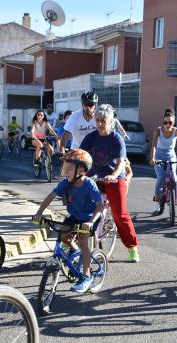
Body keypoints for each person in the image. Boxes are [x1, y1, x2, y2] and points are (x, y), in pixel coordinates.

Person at [33, 149, 103, 293]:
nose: (65, 171)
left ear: (81, 170)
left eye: (69, 169)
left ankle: (87, 276)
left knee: (83, 241)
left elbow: (100, 206)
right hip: (74, 216)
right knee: (64, 236)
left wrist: (90, 222)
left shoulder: (89, 184)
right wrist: (39, 213)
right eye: (64, 168)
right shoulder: (66, 183)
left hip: (89, 218)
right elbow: (51, 196)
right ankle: (77, 253)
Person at [80, 104, 140, 263]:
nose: (99, 124)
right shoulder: (91, 137)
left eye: (103, 121)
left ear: (110, 121)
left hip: (114, 179)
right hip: (94, 177)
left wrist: (113, 175)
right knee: (81, 207)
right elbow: (82, 155)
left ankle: (132, 247)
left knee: (120, 214)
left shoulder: (116, 139)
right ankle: (71, 239)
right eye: (97, 120)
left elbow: (121, 162)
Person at [149, 108, 177, 214]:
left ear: (173, 123)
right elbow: (154, 145)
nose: (167, 124)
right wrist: (152, 158)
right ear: (162, 122)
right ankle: (157, 202)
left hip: (171, 155)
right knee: (160, 177)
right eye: (165, 122)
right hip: (159, 155)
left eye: (170, 122)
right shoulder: (157, 130)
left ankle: (174, 190)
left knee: (173, 174)